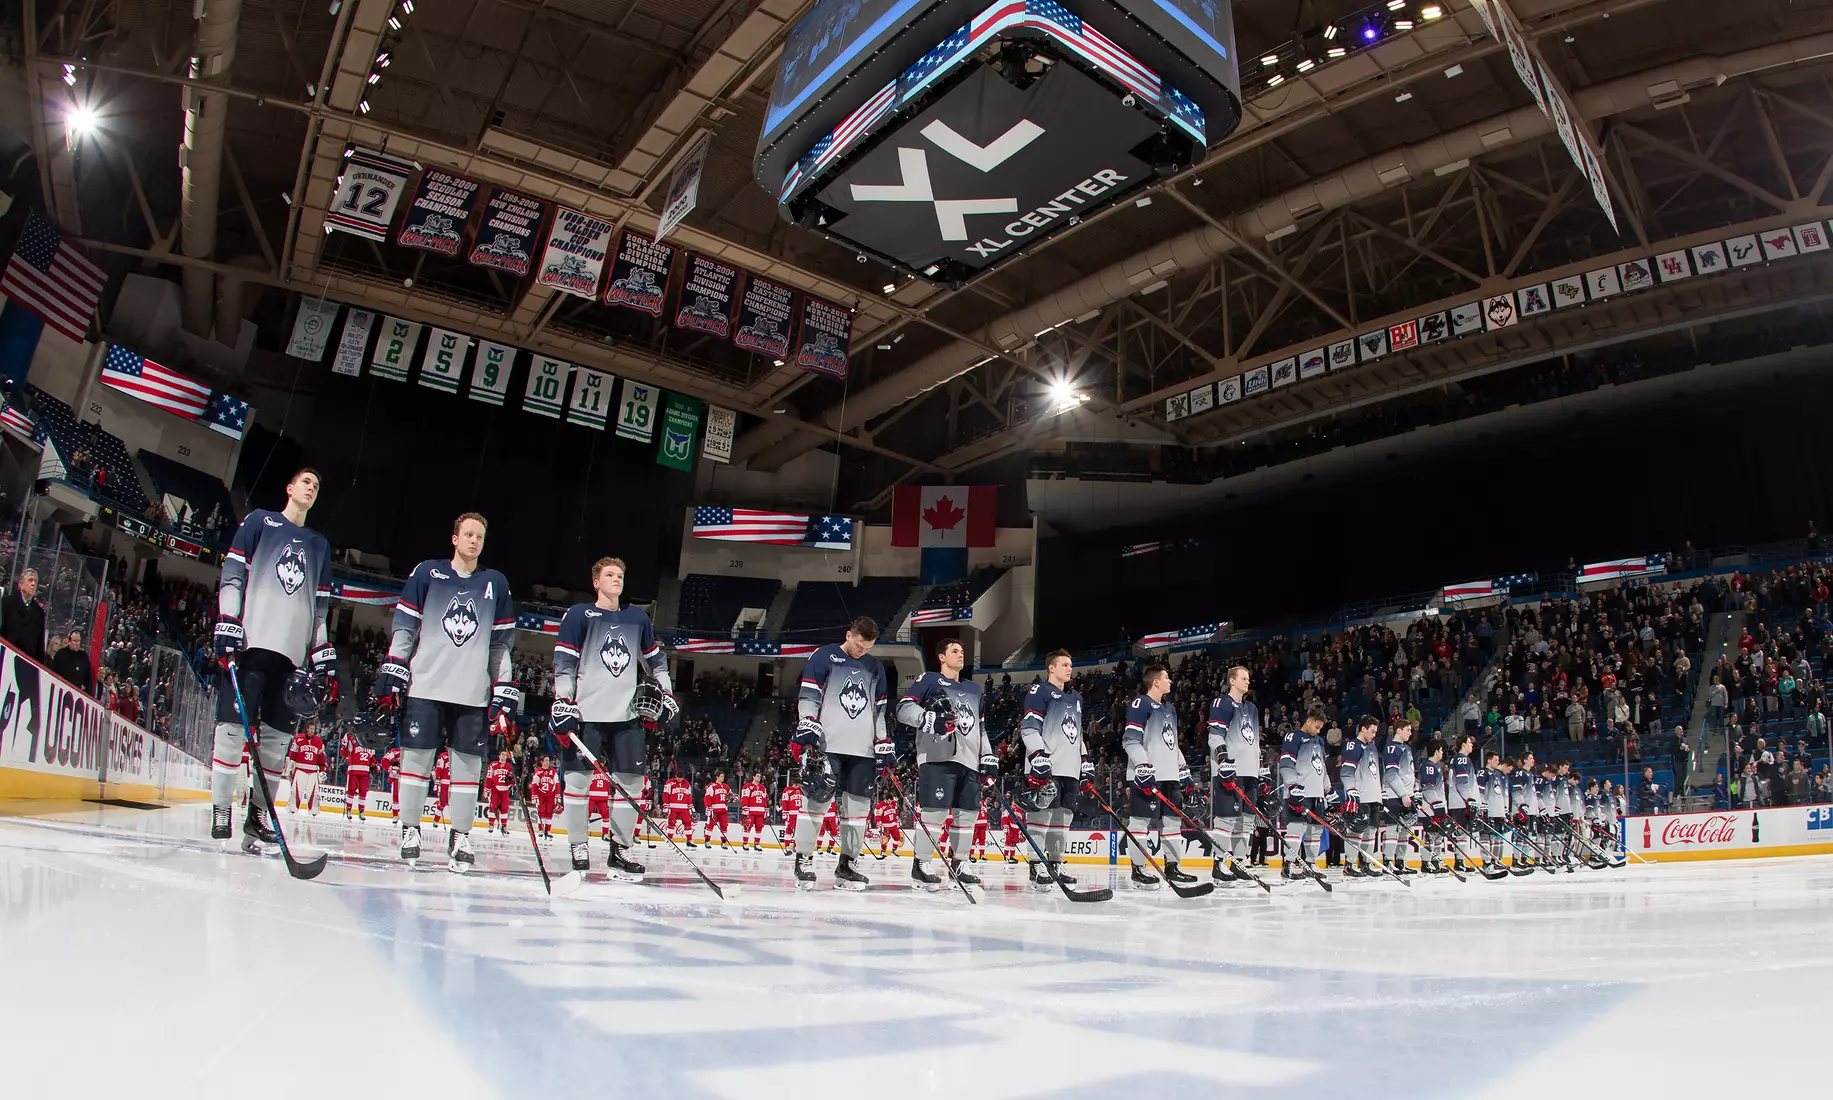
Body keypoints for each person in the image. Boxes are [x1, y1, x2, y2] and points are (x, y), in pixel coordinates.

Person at [372, 512, 518, 872]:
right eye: (467, 534)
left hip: (472, 694)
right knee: (416, 762)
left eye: (479, 537)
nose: (473, 541)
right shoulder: (427, 573)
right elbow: (405, 627)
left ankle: (461, 835)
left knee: (467, 768)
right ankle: (410, 829)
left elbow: (501, 644)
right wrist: (395, 664)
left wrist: (504, 686)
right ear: (454, 538)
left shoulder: (495, 583)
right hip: (426, 685)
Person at [209, 468, 334, 853]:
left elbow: (320, 608)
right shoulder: (259, 521)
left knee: (277, 745)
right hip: (251, 645)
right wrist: (228, 618)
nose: (311, 488)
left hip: (292, 660)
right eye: (306, 482)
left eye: (316, 485)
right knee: (232, 731)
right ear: (290, 487)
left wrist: (321, 651)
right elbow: (232, 575)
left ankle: (259, 815)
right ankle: (221, 809)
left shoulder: (318, 544)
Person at [548, 556, 676, 880]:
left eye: (620, 574)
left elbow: (656, 662)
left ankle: (620, 852)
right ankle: (578, 845)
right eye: (609, 574)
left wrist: (668, 694)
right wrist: (563, 700)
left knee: (631, 785)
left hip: (626, 716)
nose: (616, 579)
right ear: (596, 581)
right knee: (577, 783)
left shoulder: (638, 619)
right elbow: (564, 662)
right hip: (586, 715)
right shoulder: (579, 614)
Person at [789, 616, 889, 891]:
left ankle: (847, 865)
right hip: (828, 745)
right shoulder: (824, 656)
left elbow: (879, 711)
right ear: (849, 634)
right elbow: (809, 695)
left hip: (863, 750)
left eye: (867, 648)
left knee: (857, 811)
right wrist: (807, 721)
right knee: (817, 800)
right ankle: (804, 859)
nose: (862, 652)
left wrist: (882, 740)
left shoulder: (875, 666)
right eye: (859, 645)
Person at [895, 636, 991, 890]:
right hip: (937, 757)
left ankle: (960, 863)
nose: (961, 655)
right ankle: (922, 863)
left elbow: (981, 727)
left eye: (962, 651)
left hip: (969, 760)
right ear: (941, 656)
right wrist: (926, 718)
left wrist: (987, 755)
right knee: (935, 812)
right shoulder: (928, 680)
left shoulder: (974, 689)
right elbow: (904, 710)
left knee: (968, 814)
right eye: (955, 650)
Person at [1121, 660, 1197, 890]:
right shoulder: (1140, 704)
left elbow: (1172, 744)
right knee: (1140, 823)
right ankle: (1138, 869)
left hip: (1170, 776)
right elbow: (1130, 740)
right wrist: (1143, 766)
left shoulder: (1169, 709)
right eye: (1166, 677)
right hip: (1147, 776)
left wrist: (1183, 770)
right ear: (1156, 682)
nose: (1170, 681)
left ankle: (1173, 868)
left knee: (1173, 823)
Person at [1017, 649, 1088, 890]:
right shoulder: (1040, 691)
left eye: (1070, 665)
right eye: (1065, 665)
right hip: (1045, 767)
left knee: (1062, 820)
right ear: (1051, 668)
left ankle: (1056, 863)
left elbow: (1078, 734)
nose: (1070, 669)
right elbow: (1028, 728)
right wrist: (1038, 755)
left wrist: (1085, 759)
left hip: (1070, 769)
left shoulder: (1076, 698)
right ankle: (1036, 865)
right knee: (1040, 818)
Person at [1207, 664, 1265, 886]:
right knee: (1226, 819)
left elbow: (1255, 742)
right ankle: (1219, 864)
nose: (1247, 681)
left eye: (1248, 678)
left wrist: (1262, 769)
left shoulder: (1252, 708)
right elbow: (1215, 736)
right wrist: (1223, 759)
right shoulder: (1222, 703)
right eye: (1243, 678)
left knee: (1247, 821)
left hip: (1250, 771)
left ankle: (1239, 863)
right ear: (1232, 680)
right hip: (1230, 772)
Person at [1277, 706, 1331, 882]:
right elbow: (1286, 763)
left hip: (1317, 794)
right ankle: (1289, 863)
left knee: (1316, 830)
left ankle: (1310, 863)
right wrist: (1292, 786)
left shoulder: (1319, 741)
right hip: (1299, 792)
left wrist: (1327, 787)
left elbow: (1321, 766)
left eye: (1320, 728)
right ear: (1308, 722)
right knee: (1296, 828)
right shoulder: (1294, 737)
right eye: (1316, 726)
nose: (1318, 730)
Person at [1337, 716, 1381, 876]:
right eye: (1372, 731)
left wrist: (1380, 794)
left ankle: (1365, 863)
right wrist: (1351, 790)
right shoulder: (1353, 746)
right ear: (1363, 728)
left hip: (1373, 796)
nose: (1374, 735)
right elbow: (1346, 772)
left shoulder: (1372, 747)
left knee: (1371, 832)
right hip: (1361, 796)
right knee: (1357, 831)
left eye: (1376, 732)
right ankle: (1349, 864)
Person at [1, 566, 46, 660]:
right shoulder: (6, 603)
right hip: (6, 658)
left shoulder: (39, 613)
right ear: (21, 584)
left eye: (35, 581)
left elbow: (40, 646)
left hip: (27, 664)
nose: (33, 584)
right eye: (30, 580)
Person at [286, 727, 326, 814]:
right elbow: (293, 753)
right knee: (297, 789)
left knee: (313, 791)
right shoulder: (298, 738)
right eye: (310, 729)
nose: (311, 731)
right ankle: (293, 806)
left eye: (313, 729)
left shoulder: (319, 741)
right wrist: (290, 766)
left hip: (313, 770)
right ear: (306, 729)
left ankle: (313, 808)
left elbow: (321, 756)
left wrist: (322, 769)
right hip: (300, 768)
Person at [343, 737, 377, 821]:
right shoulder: (351, 738)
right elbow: (345, 754)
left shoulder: (370, 741)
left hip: (365, 771)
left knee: (363, 792)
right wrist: (345, 745)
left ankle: (361, 811)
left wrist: (373, 764)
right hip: (353, 770)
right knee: (351, 790)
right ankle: (349, 809)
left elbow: (372, 758)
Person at [529, 755, 561, 839]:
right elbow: (534, 784)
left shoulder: (553, 772)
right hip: (541, 795)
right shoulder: (538, 772)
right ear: (542, 762)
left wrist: (557, 795)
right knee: (541, 812)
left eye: (548, 760)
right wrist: (534, 795)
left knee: (549, 813)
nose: (547, 762)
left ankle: (548, 830)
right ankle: (540, 829)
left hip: (550, 795)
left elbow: (557, 783)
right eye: (546, 760)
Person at [483, 750, 515, 833]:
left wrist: (511, 781)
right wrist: (487, 788)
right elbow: (489, 777)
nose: (504, 756)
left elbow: (512, 779)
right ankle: (491, 824)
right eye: (502, 754)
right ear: (499, 756)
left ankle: (504, 826)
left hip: (505, 790)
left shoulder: (509, 766)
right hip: (495, 789)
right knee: (493, 807)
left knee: (504, 808)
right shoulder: (493, 765)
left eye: (505, 754)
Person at [701, 771, 733, 847]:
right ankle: (707, 840)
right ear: (717, 777)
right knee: (710, 825)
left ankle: (724, 842)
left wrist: (731, 799)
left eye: (723, 776)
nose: (722, 778)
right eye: (721, 776)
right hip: (714, 809)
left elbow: (730, 797)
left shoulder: (726, 787)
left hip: (723, 809)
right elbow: (707, 797)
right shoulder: (712, 786)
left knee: (724, 825)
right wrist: (708, 808)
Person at [662, 771, 693, 843]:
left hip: (684, 807)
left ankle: (689, 840)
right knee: (671, 823)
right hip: (673, 807)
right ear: (675, 776)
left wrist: (690, 806)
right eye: (678, 778)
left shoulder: (687, 784)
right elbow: (666, 794)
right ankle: (669, 839)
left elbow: (689, 796)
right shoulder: (669, 783)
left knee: (688, 822)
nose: (679, 779)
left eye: (681, 778)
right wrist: (666, 805)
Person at [740, 774, 769, 851]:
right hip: (751, 811)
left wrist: (766, 810)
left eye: (760, 776)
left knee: (759, 827)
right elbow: (744, 798)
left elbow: (764, 799)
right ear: (753, 776)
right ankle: (745, 843)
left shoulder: (763, 788)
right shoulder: (747, 786)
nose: (758, 778)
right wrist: (745, 808)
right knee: (747, 826)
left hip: (760, 811)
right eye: (757, 776)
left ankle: (757, 843)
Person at [779, 780, 804, 855]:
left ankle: (796, 846)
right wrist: (785, 812)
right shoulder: (787, 790)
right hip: (791, 814)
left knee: (799, 832)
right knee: (789, 830)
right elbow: (784, 801)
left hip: (800, 814)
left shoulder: (802, 790)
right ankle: (787, 846)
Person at [587, 768, 612, 840]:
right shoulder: (605, 771)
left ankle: (605, 834)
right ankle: (604, 834)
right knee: (605, 816)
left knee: (588, 815)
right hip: (599, 796)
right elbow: (609, 784)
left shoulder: (592, 770)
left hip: (596, 795)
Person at [432, 746, 452, 828]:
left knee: (454, 804)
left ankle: (455, 823)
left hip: (454, 784)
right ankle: (436, 821)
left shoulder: (457, 756)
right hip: (444, 783)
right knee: (442, 803)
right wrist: (437, 780)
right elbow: (439, 768)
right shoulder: (443, 756)